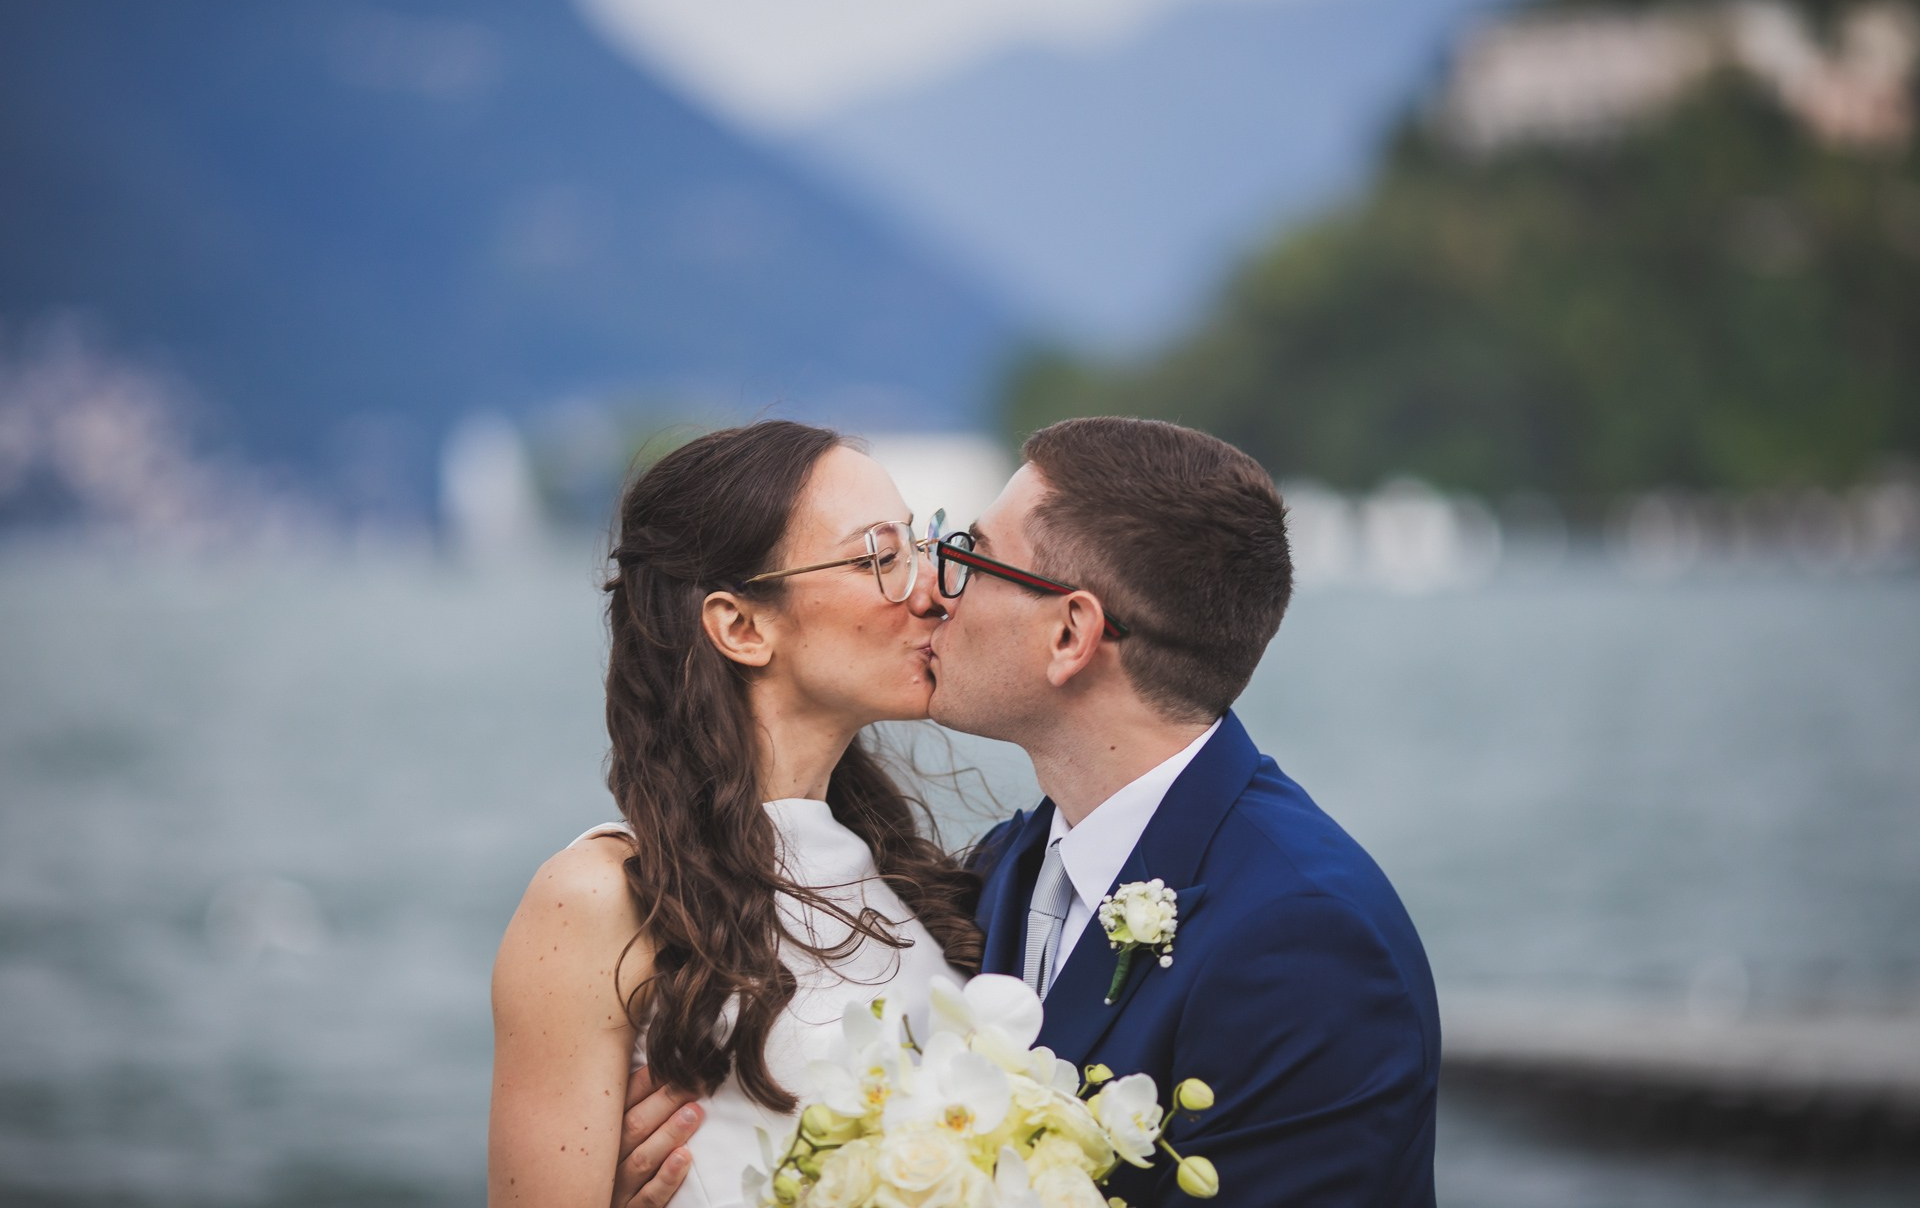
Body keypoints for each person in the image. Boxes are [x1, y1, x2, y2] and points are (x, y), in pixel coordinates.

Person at [616, 416, 1440, 1206]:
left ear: (1069, 636)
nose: (935, 591)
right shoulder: (995, 871)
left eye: (969, 555)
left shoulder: (1304, 938)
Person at [489, 421, 982, 1206]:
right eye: (879, 558)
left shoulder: (911, 877)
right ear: (742, 626)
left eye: (922, 548)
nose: (932, 593)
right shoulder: (599, 899)